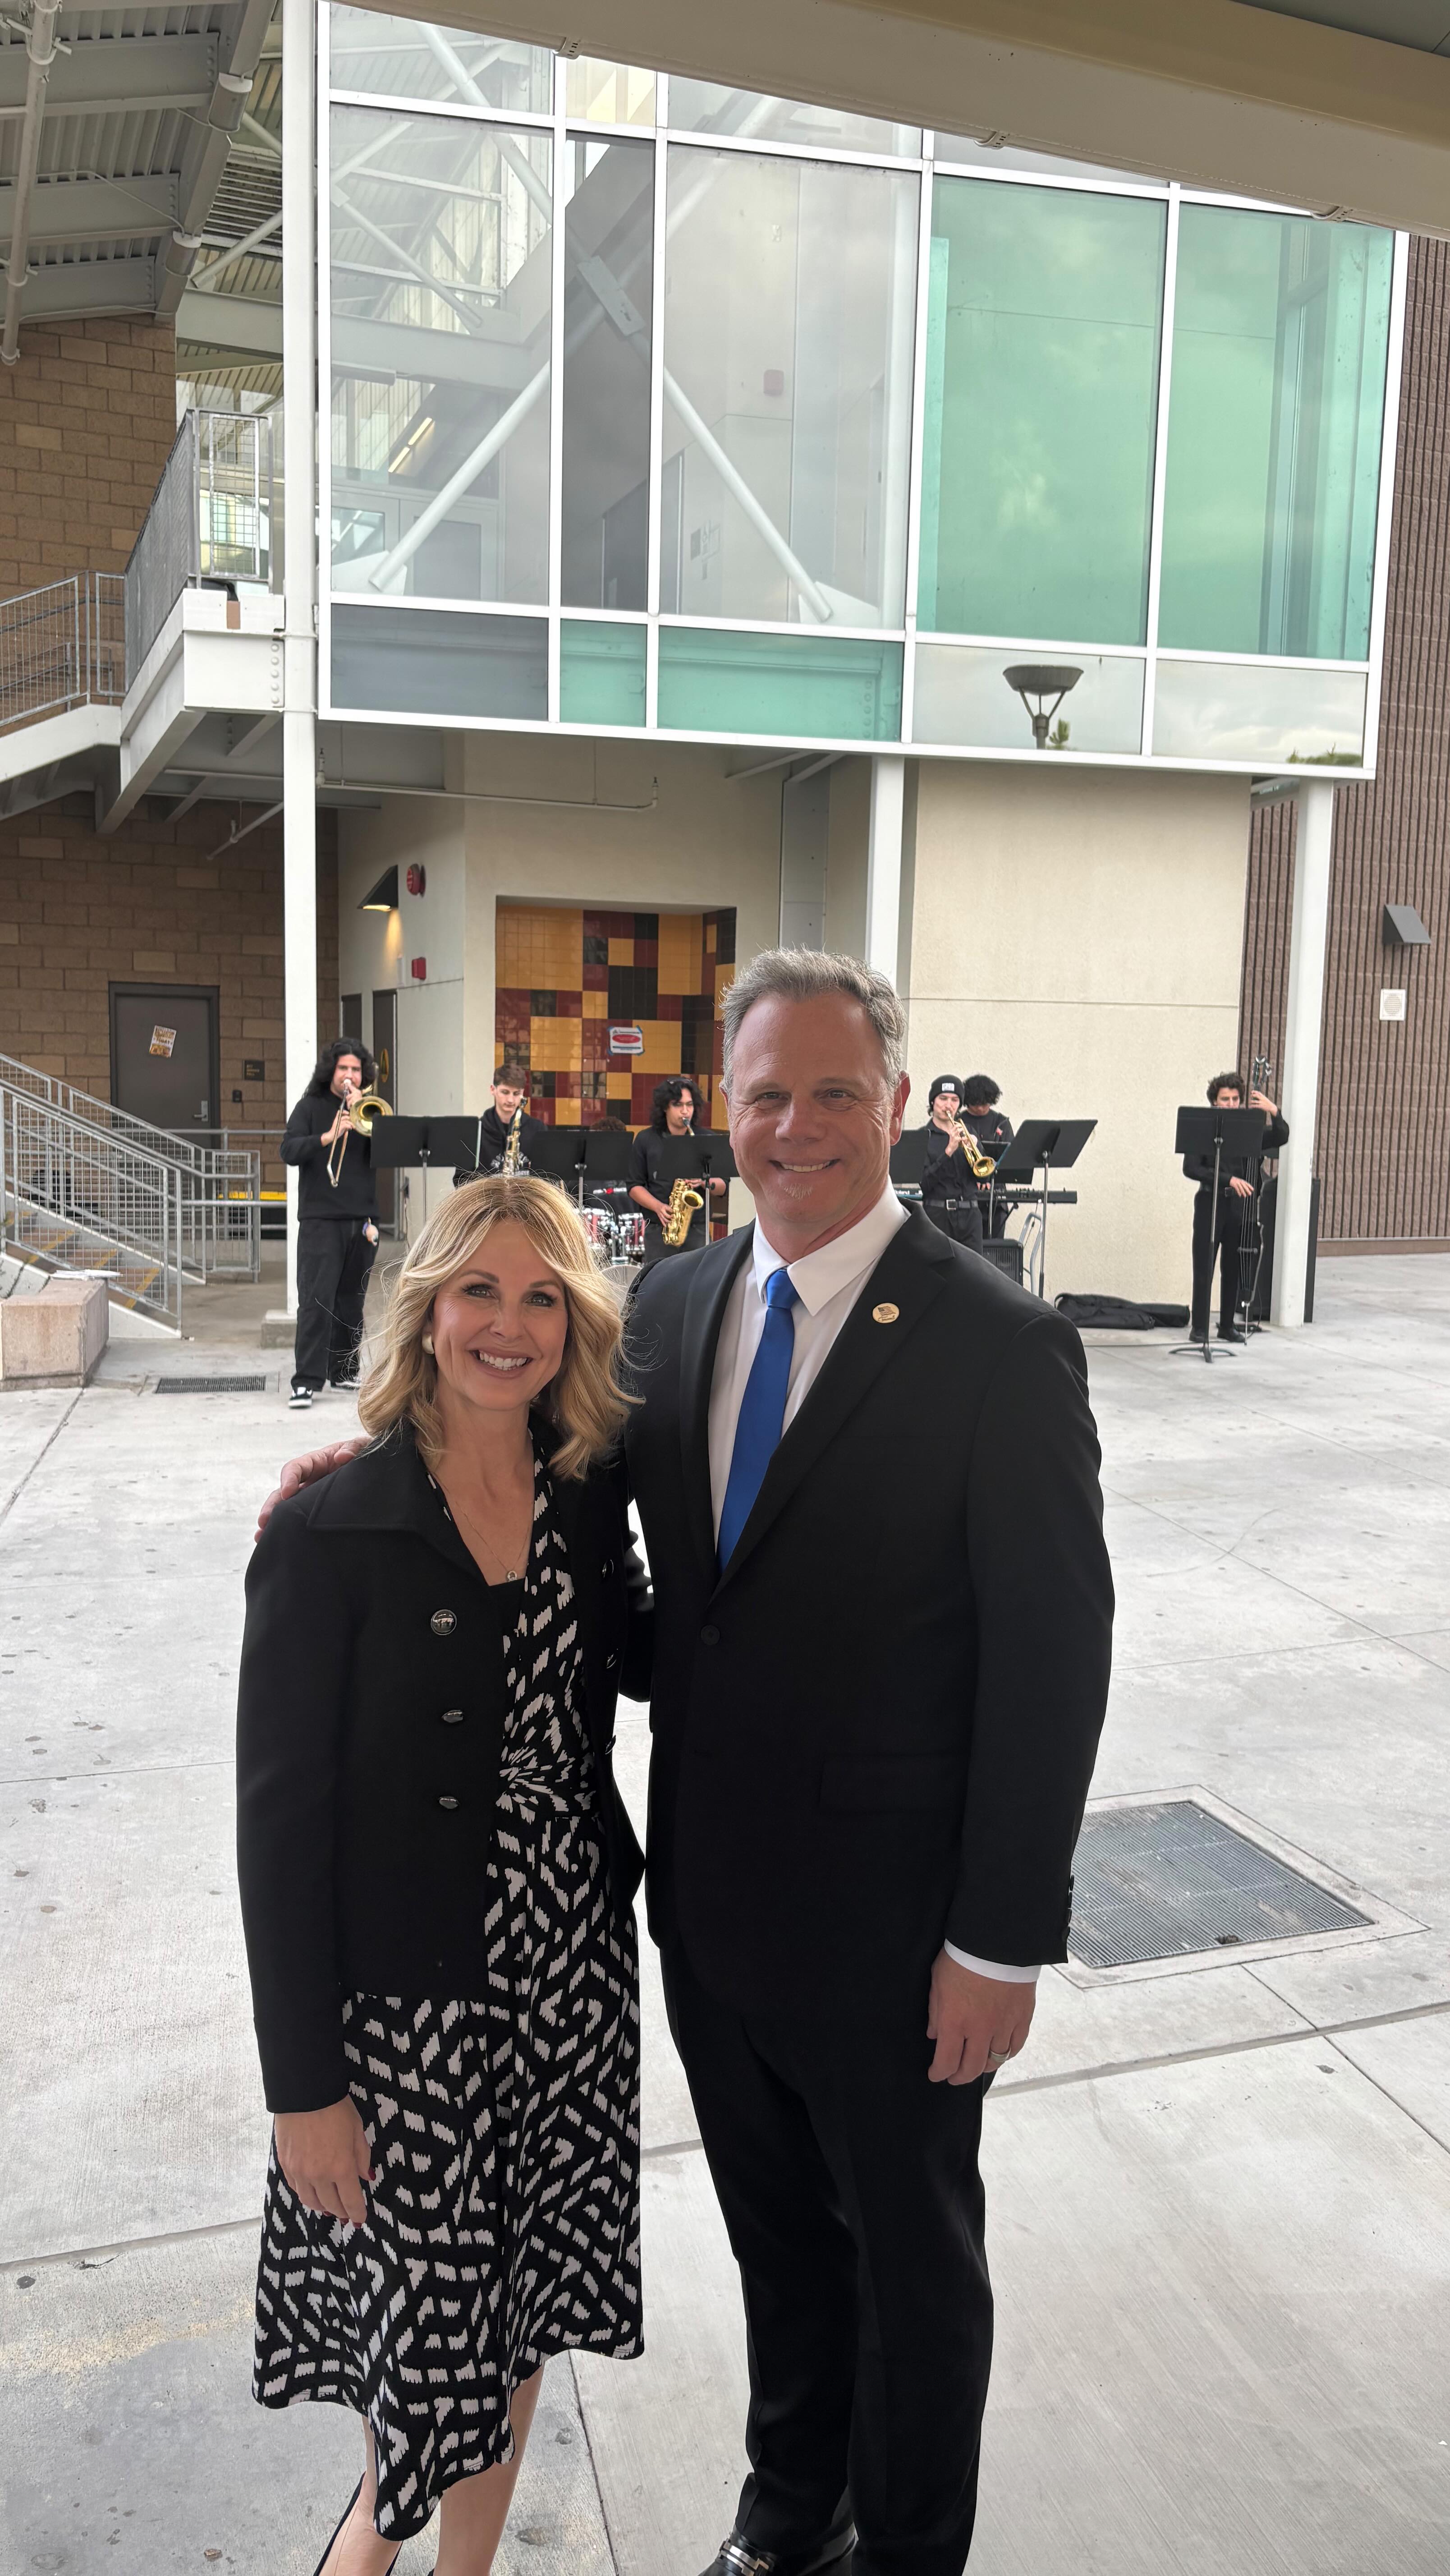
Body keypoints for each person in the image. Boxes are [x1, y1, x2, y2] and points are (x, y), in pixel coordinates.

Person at [263, 950, 1114, 2576]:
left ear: (894, 1108)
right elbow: (634, 1587)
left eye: (835, 1092)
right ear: (722, 1115)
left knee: (911, 2277)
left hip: (898, 1939)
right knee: (782, 2256)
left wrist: (999, 1937)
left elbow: (1051, 1659)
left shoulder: (998, 1346)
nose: (798, 1127)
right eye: (765, 1096)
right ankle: (789, 2514)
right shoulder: (673, 1303)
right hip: (711, 1921)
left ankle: (907, 2548)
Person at [237, 1175, 651, 2576]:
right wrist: (304, 2086)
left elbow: (659, 1650)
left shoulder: (589, 1497)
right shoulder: (327, 1531)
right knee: (420, 2372)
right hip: (405, 2018)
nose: (509, 1324)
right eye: (480, 1288)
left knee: (518, 2316)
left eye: (543, 1296)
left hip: (569, 1982)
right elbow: (276, 1831)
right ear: (426, 1307)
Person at [281, 1037, 382, 1410]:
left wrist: (365, 1118)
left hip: (363, 1217)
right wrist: (328, 1136)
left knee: (352, 1301)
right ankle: (306, 1381)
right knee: (316, 1300)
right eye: (344, 1069)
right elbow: (289, 1150)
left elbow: (389, 1153)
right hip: (321, 1219)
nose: (350, 1076)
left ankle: (343, 1371)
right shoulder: (310, 1107)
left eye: (356, 1070)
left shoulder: (371, 1111)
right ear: (331, 1072)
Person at [1184, 1070, 1288, 1344]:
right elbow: (1192, 1168)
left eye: (1234, 1099)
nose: (1230, 1104)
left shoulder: (1249, 1130)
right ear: (1214, 1102)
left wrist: (1274, 1111)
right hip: (1211, 1202)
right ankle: (1200, 1327)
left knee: (1232, 1265)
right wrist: (1229, 1178)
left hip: (1240, 1207)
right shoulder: (1202, 1128)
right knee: (1204, 1265)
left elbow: (1281, 1137)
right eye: (1224, 1099)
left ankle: (1227, 1325)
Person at [628, 1076, 725, 1268]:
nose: (685, 1111)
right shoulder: (646, 1139)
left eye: (690, 1105)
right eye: (678, 1105)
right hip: (659, 1228)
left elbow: (723, 1188)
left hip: (698, 1227)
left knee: (699, 1283)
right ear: (665, 1107)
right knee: (658, 1284)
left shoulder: (706, 1139)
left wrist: (704, 1181)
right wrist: (658, 1207)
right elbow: (634, 1186)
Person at [917, 1073, 984, 1254]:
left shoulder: (968, 1132)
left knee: (975, 1275)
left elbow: (986, 1176)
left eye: (955, 1100)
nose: (949, 1105)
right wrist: (949, 1151)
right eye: (943, 1098)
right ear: (933, 1102)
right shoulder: (923, 1137)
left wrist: (977, 1150)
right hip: (938, 1216)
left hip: (971, 1215)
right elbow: (924, 1184)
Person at [452, 1063, 548, 1186]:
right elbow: (461, 1181)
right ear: (493, 1090)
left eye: (516, 1094)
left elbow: (547, 1178)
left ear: (523, 1093)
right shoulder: (475, 1131)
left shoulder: (537, 1129)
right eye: (505, 1092)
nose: (511, 1100)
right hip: (487, 1202)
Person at [959, 1075, 1014, 1238]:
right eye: (978, 1104)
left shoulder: (1001, 1122)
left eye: (986, 1103)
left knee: (994, 1251)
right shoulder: (959, 1121)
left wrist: (989, 1179)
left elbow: (1009, 1158)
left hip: (995, 1200)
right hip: (965, 1197)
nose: (983, 1108)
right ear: (969, 1101)